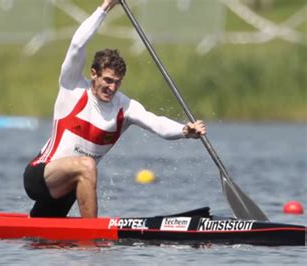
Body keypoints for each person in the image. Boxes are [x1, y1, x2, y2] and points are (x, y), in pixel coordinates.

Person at [23, 0, 207, 218]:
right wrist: (105, 7)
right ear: (93, 74)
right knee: (88, 165)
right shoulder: (72, 87)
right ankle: (93, 240)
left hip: (70, 187)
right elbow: (76, 46)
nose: (111, 87)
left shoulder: (125, 107)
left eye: (117, 82)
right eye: (107, 80)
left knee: (48, 242)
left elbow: (157, 123)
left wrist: (185, 131)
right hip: (40, 175)